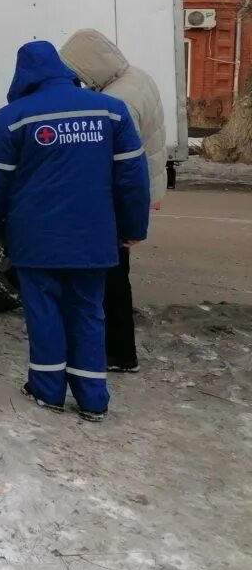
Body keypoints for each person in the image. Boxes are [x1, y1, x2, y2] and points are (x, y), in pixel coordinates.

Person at [0, 41, 150, 422]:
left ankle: (47, 390)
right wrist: (133, 228)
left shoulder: (10, 119)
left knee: (44, 312)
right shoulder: (111, 112)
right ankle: (93, 398)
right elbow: (132, 176)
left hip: (37, 240)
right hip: (93, 237)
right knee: (88, 311)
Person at [59, 29, 167, 373]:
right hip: (135, 194)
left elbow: (118, 166)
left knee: (111, 279)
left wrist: (124, 219)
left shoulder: (117, 104)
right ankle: (117, 350)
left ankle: (118, 353)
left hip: (118, 202)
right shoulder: (136, 78)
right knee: (116, 275)